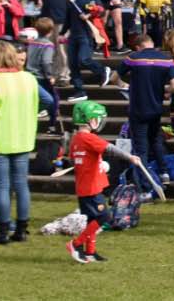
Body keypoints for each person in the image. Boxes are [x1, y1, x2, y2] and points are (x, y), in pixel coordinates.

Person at [0, 41, 51, 245]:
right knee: (21, 184)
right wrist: (30, 111)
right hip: (24, 137)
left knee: (2, 186)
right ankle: (21, 229)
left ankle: (2, 232)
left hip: (0, 139)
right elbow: (49, 101)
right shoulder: (28, 78)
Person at [67, 100, 142, 263]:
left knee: (91, 219)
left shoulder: (76, 139)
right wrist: (130, 157)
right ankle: (76, 244)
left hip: (85, 187)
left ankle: (90, 252)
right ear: (91, 120)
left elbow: (75, 160)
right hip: (91, 188)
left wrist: (98, 164)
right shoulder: (89, 138)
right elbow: (110, 148)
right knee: (105, 217)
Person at [116, 33, 174, 174]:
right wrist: (165, 92)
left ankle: (143, 183)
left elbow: (115, 77)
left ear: (138, 47)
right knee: (156, 141)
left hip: (137, 109)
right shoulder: (167, 60)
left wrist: (126, 86)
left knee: (141, 148)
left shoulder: (133, 57)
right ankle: (164, 173)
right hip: (156, 109)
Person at [64, 0, 111, 103]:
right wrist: (62, 33)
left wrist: (89, 15)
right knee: (73, 64)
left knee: (83, 59)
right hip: (73, 35)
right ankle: (79, 91)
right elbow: (68, 18)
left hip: (86, 34)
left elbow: (101, 10)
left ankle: (102, 71)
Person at [26, 17, 61, 135]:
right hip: (41, 76)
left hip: (30, 74)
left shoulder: (32, 43)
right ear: (50, 31)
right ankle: (51, 125)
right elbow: (46, 61)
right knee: (54, 100)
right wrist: (50, 75)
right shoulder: (48, 45)